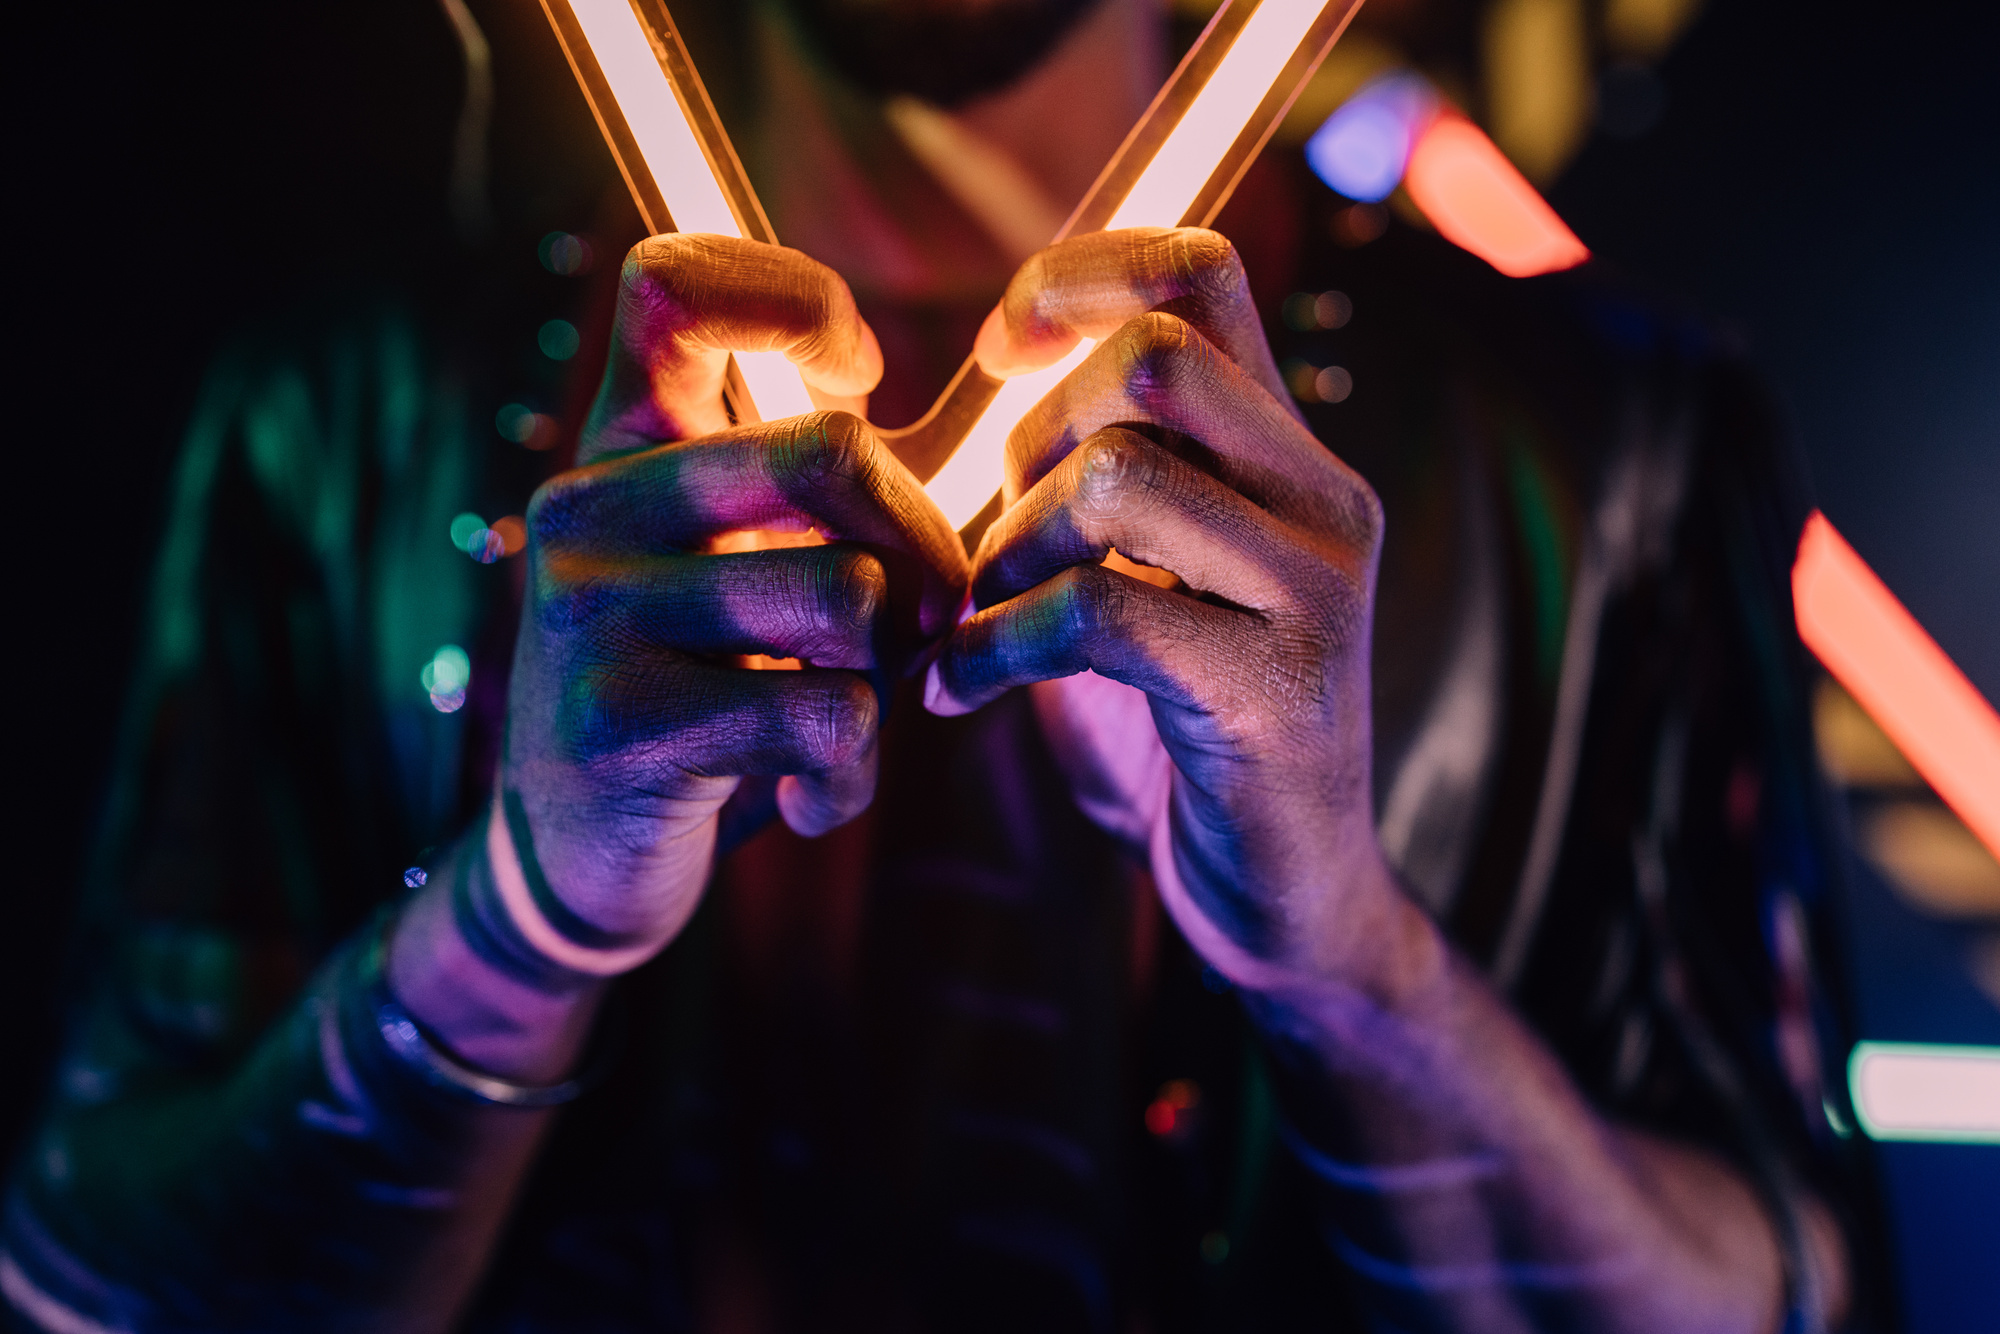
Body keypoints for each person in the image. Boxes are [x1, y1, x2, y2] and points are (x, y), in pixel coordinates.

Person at [2, 1, 1876, 1330]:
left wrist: (1338, 944)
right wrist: (518, 924)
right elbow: (86, 1277)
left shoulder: (1617, 455)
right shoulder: (340, 413)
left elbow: (1797, 1283)